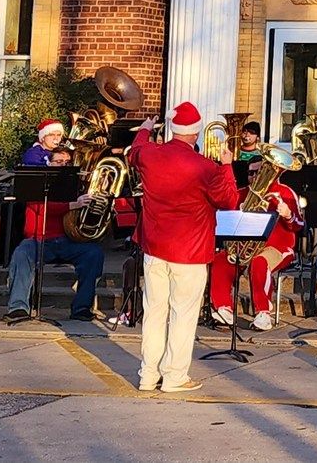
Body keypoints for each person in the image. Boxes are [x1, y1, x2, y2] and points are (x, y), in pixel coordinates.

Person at [129, 102, 240, 393]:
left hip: (155, 247)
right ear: (195, 133)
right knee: (183, 314)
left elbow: (136, 150)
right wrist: (228, 166)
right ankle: (175, 376)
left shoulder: (151, 155)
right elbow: (229, 201)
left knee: (154, 312)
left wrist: (144, 129)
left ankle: (148, 375)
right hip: (190, 251)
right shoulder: (206, 167)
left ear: (172, 129)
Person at [3, 151, 108, 324]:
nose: (64, 165)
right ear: (49, 163)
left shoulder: (75, 185)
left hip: (67, 239)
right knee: (22, 253)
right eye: (59, 161)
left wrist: (103, 207)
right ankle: (18, 307)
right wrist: (72, 205)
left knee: (93, 253)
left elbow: (85, 211)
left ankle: (82, 307)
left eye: (67, 162)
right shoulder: (37, 183)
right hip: (38, 239)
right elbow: (42, 208)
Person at [215, 169, 302, 331]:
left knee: (260, 262)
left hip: (277, 246)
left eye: (259, 172)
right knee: (220, 260)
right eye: (250, 172)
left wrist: (288, 215)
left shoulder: (285, 192)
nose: (255, 176)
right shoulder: (241, 194)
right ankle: (224, 309)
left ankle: (263, 313)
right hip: (244, 247)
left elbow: (299, 225)